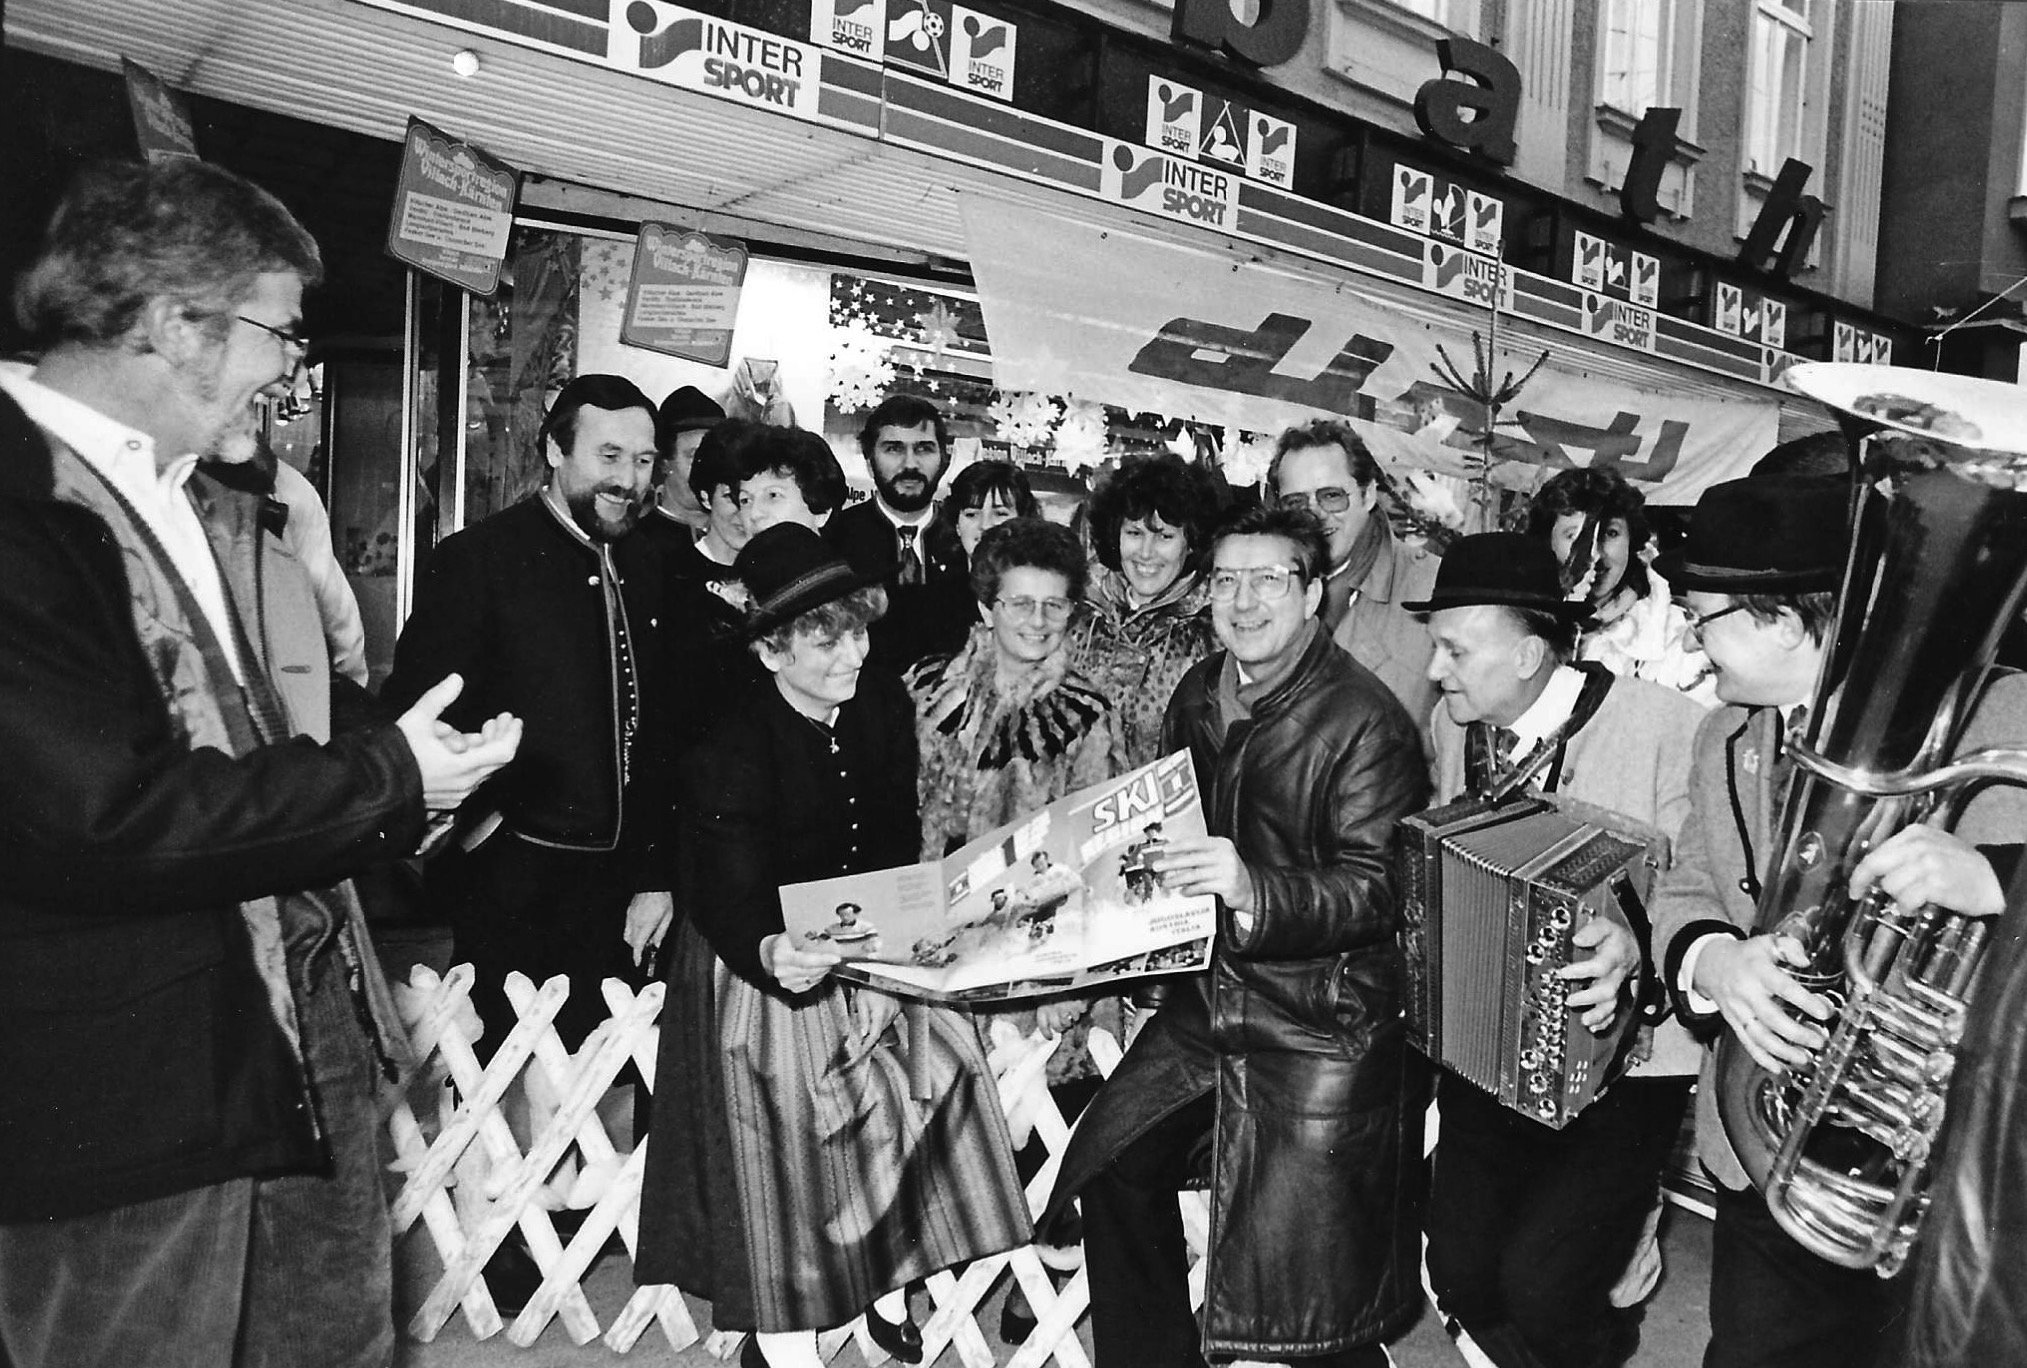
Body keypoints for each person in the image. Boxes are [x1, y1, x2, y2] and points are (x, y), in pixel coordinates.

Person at [0, 158, 519, 1368]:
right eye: (278, 333)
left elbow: (233, 734)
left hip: (283, 1019)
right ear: (176, 325)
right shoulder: (21, 503)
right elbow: (102, 815)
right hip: (128, 1069)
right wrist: (389, 777)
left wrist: (407, 777)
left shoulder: (186, 489)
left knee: (328, 1333)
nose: (292, 369)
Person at [1648, 477, 2027, 1368]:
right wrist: (1714, 961)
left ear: (1781, 621)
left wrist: (1999, 880)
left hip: (1949, 1164)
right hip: (1768, 1143)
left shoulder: (2003, 714)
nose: (1690, 646)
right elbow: (1688, 883)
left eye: (1700, 620)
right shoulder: (1723, 734)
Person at [1044, 504, 1432, 1368]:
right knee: (1114, 1167)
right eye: (1226, 580)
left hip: (1321, 1021)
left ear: (1313, 594)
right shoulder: (1197, 692)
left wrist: (1253, 886)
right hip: (1206, 1004)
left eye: (1268, 580)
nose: (1243, 601)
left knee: (1303, 1282)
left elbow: (1381, 891)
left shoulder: (1367, 723)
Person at [635, 524, 1031, 1368]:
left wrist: (898, 957)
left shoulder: (880, 704)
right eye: (826, 641)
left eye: (857, 632)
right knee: (793, 1108)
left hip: (866, 935)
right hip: (759, 954)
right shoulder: (729, 741)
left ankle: (883, 1276)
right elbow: (723, 888)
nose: (853, 653)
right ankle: (781, 1334)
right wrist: (770, 951)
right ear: (770, 651)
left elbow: (892, 840)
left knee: (937, 1067)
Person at [1411, 532, 1705, 1368]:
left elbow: (1710, 888)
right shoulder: (1451, 727)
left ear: (1529, 654)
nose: (1434, 670)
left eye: (1454, 650)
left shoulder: (1670, 729)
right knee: (1459, 1271)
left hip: (1628, 1063)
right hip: (1490, 1049)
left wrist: (1637, 945)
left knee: (1546, 1286)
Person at [383, 373, 676, 1054]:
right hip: (511, 881)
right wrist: (481, 832)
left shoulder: (655, 564)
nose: (627, 480)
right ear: (554, 450)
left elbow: (665, 733)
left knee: (606, 1073)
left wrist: (657, 875)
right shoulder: (479, 560)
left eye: (642, 461)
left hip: (621, 889)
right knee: (501, 1071)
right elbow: (421, 714)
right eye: (608, 456)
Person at [909, 517, 1124, 861]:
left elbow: (1096, 848)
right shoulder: (926, 688)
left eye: (1054, 605)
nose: (1038, 621)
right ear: (987, 609)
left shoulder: (1086, 717)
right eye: (1021, 604)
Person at [1268, 418, 1441, 728]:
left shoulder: (1433, 589)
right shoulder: (1261, 590)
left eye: (1332, 496)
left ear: (1368, 494)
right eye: (1296, 503)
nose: (1315, 514)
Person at [1066, 453, 1223, 768]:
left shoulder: (1213, 633)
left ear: (1191, 542)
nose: (1146, 553)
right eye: (1134, 533)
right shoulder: (1079, 614)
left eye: (1165, 536)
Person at [1523, 466, 1714, 704]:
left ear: (1631, 540)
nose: (1594, 554)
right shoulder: (1523, 625)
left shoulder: (1676, 636)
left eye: (1611, 533)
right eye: (1573, 535)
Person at [825, 392, 972, 670]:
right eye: (893, 449)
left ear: (945, 459)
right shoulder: (835, 539)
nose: (910, 464)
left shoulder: (966, 538)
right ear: (869, 461)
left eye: (924, 449)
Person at [651, 382, 726, 536]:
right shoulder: (637, 539)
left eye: (718, 455)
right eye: (695, 456)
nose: (711, 468)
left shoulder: (743, 535)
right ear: (664, 463)